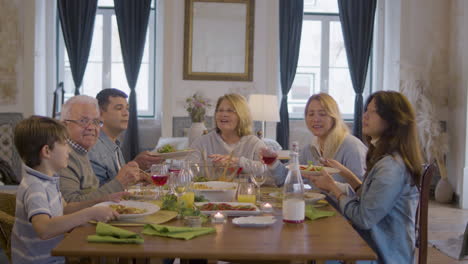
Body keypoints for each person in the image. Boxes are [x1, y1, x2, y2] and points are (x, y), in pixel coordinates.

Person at [307, 91, 423, 264]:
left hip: (383, 253)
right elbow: (370, 199)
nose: (365, 116)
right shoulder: (386, 158)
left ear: (391, 119)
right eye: (365, 110)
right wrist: (346, 174)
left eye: (372, 112)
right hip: (370, 243)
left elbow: (363, 218)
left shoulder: (391, 167)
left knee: (318, 249)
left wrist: (333, 188)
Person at [11, 116, 120, 264]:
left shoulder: (49, 179)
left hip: (56, 258)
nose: (69, 149)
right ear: (47, 151)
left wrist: (102, 200)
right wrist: (89, 213)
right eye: (64, 143)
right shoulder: (35, 187)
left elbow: (66, 208)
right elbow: (44, 228)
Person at [265, 93, 367, 186]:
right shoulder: (310, 148)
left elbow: (361, 191)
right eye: (311, 114)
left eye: (322, 114)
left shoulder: (352, 146)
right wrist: (272, 162)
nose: (315, 119)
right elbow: (287, 178)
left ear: (333, 117)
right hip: (317, 205)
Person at [59, 95, 144, 202]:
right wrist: (119, 182)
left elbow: (94, 192)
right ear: (64, 125)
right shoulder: (62, 156)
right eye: (83, 121)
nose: (91, 127)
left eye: (95, 122)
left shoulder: (82, 151)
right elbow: (71, 205)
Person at [89, 88, 162, 185]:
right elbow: (101, 192)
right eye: (119, 108)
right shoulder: (94, 148)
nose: (126, 113)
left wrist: (138, 168)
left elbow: (121, 180)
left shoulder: (115, 143)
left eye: (127, 108)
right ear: (100, 114)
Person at [188, 93, 267, 172]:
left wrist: (237, 161)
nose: (224, 114)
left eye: (230, 111)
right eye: (220, 110)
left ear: (242, 116)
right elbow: (188, 169)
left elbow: (268, 171)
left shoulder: (255, 143)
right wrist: (212, 165)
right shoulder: (202, 142)